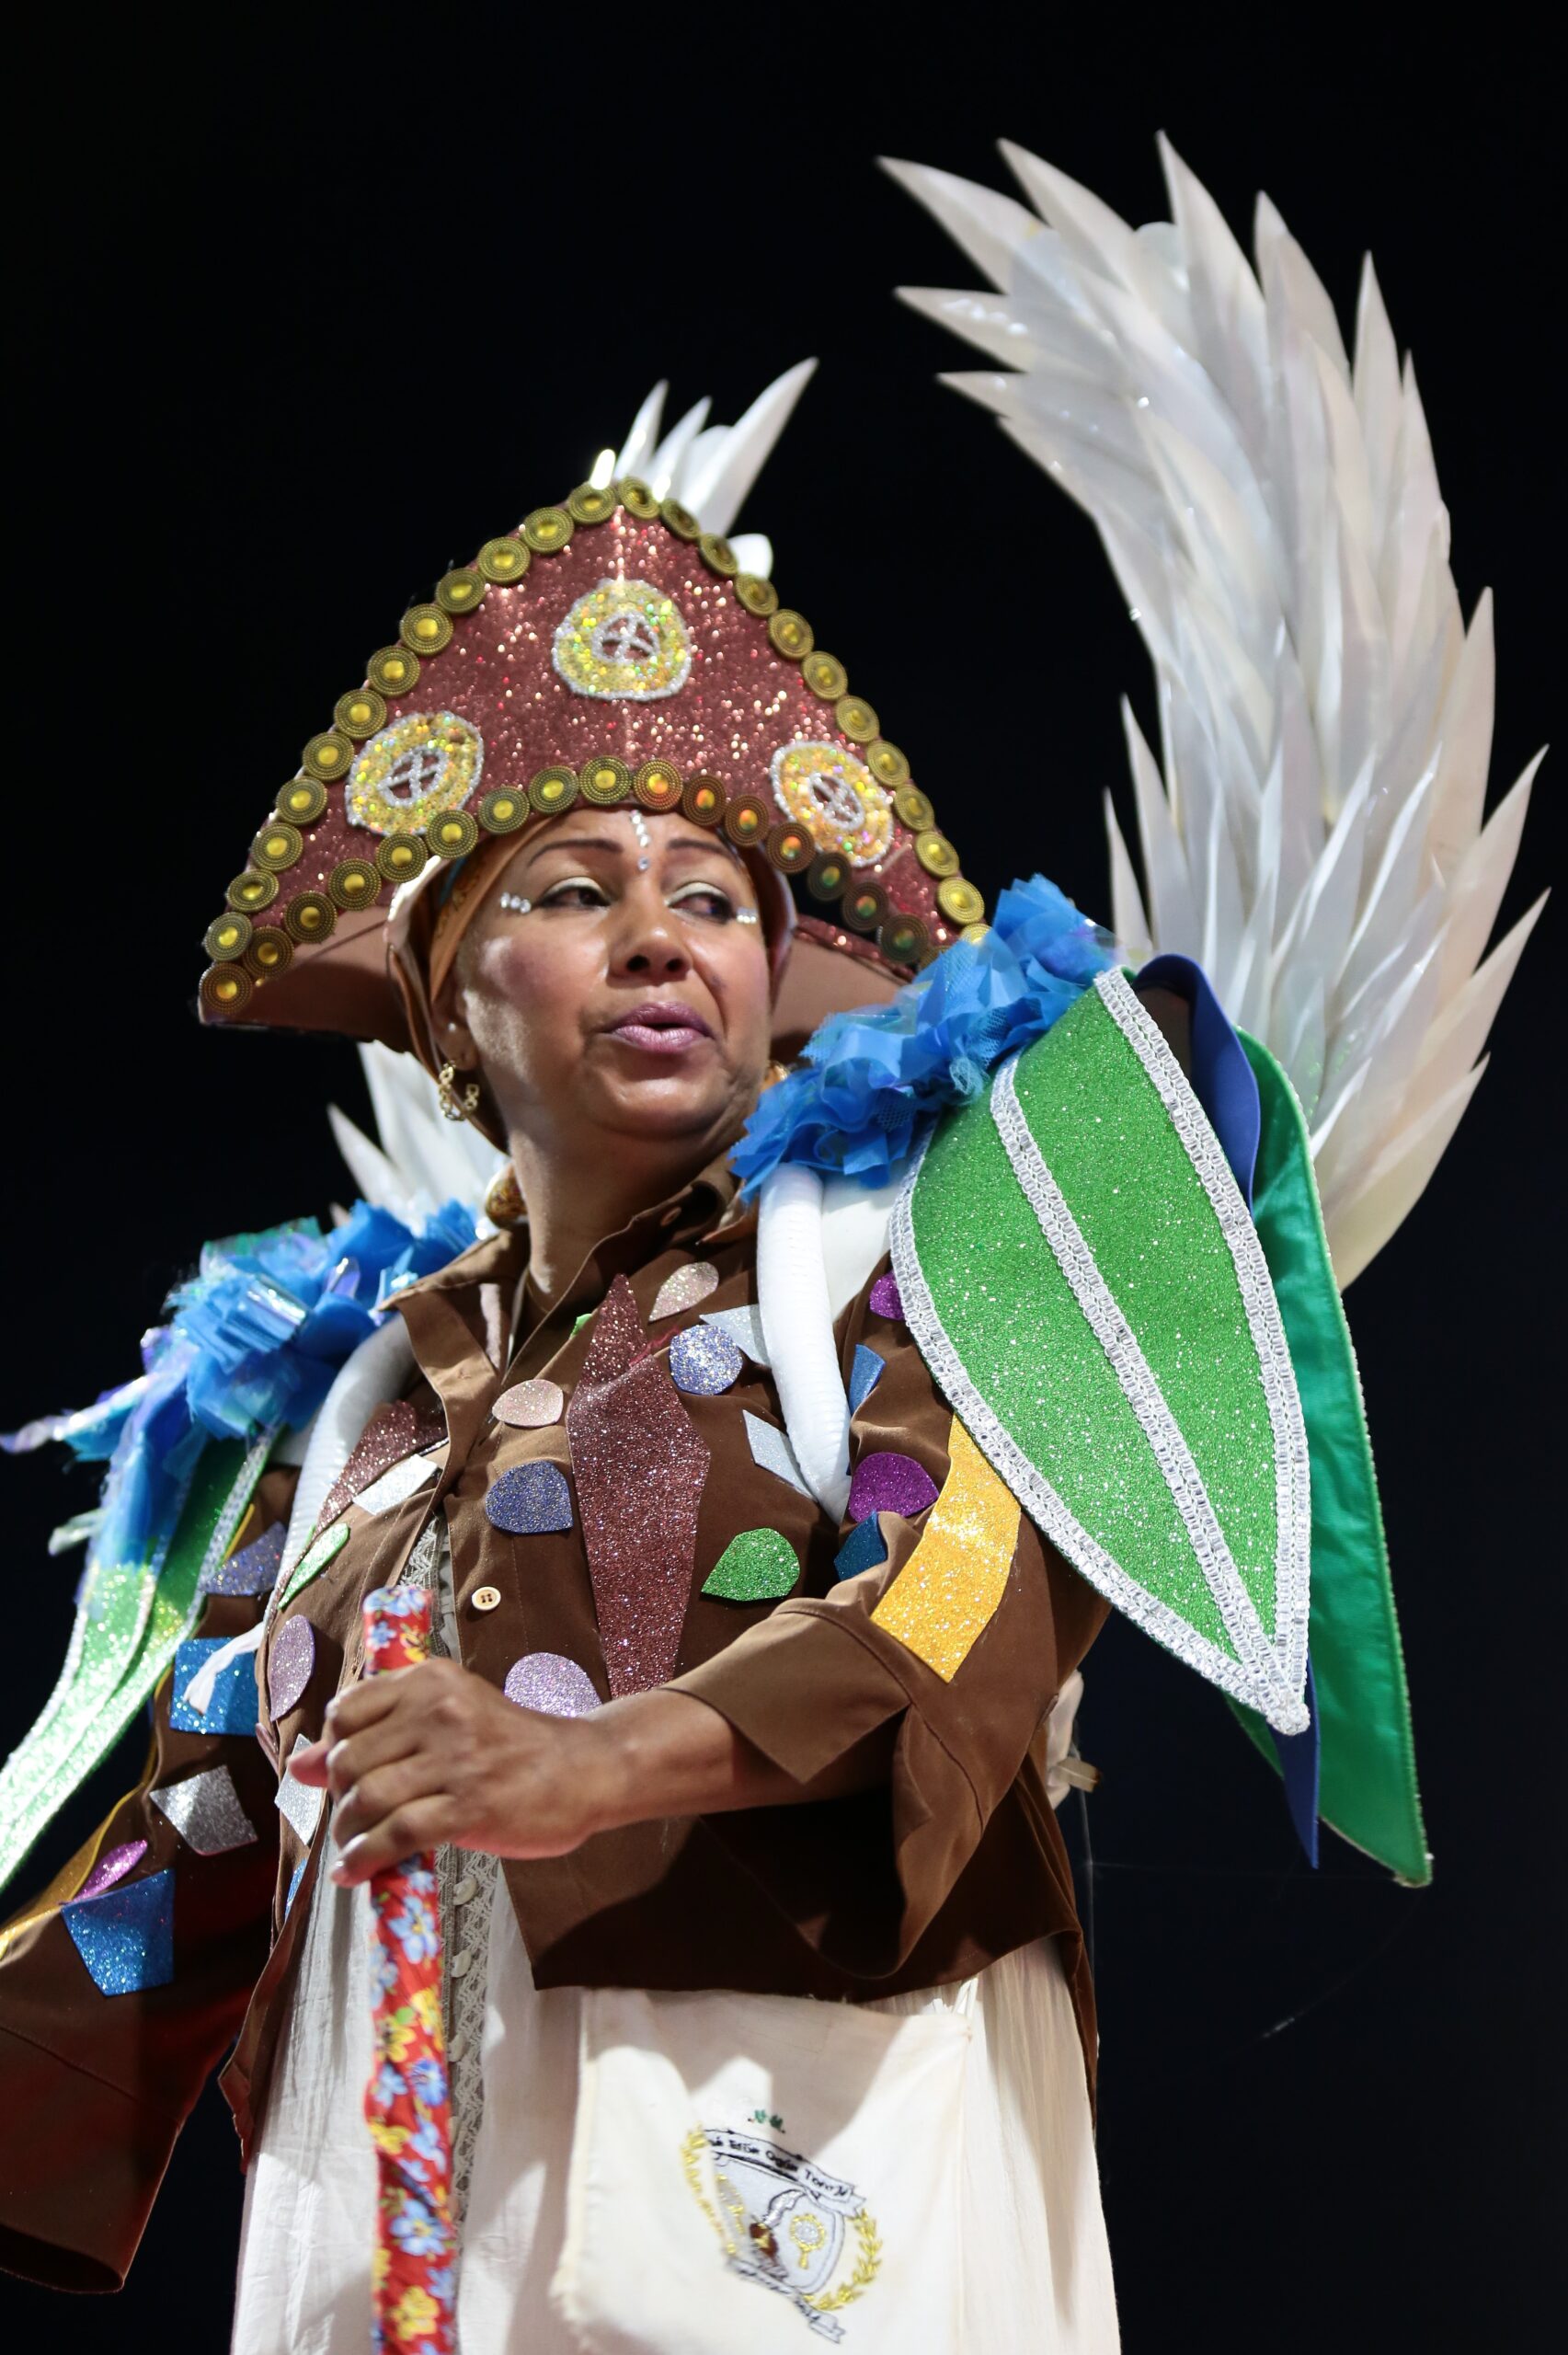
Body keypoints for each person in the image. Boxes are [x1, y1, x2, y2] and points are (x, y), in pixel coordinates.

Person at [1, 132, 1530, 2351]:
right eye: (571, 889)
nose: (659, 935)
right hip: (399, 2181)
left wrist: (590, 1763)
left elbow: (957, 1606)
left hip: (795, 2151)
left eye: (714, 898)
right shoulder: (358, 1399)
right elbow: (196, 1819)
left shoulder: (920, 1256)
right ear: (446, 1006)